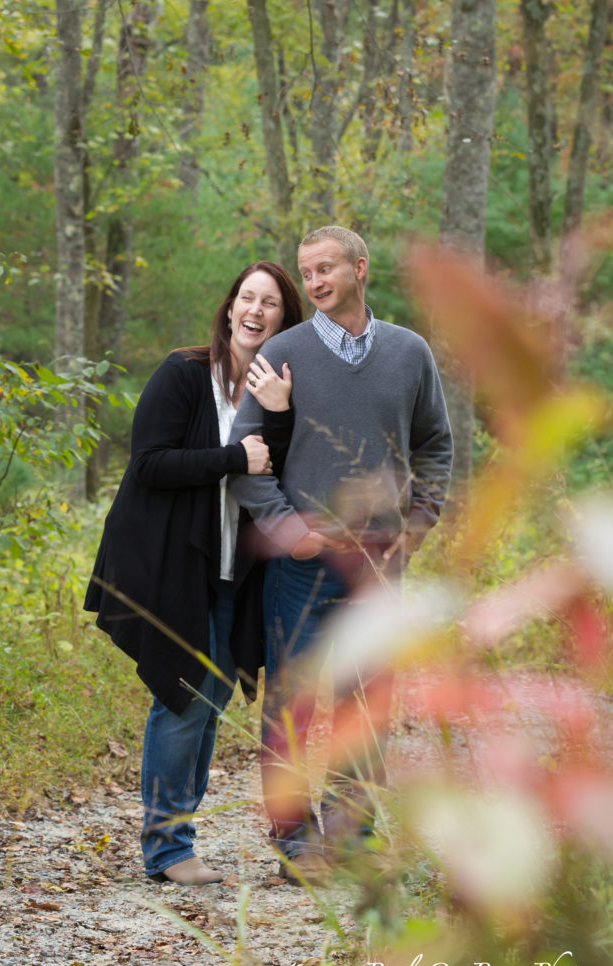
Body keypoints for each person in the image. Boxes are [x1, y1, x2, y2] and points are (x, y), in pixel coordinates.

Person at [229, 226, 454, 884]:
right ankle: (292, 840)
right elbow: (249, 453)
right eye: (306, 272)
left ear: (360, 268)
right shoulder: (282, 350)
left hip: (382, 564)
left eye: (326, 268)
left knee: (369, 700)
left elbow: (435, 444)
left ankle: (350, 833)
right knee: (294, 701)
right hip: (301, 565)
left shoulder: (409, 354)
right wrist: (282, 525)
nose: (315, 282)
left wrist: (420, 519)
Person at [84, 261, 303, 886]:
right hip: (170, 558)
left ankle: (175, 839)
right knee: (183, 695)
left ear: (283, 322)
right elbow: (149, 462)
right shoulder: (184, 373)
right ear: (229, 307)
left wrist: (280, 414)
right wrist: (233, 456)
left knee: (208, 699)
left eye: (270, 304)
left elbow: (283, 472)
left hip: (234, 566)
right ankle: (168, 849)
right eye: (246, 298)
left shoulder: (276, 389)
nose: (255, 311)